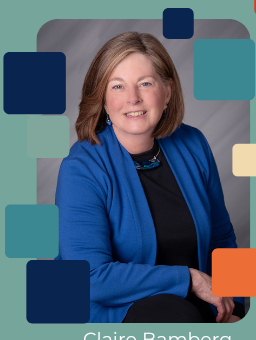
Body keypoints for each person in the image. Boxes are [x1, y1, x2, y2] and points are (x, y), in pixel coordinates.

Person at [55, 32, 245, 323]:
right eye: (118, 86)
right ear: (103, 99)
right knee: (177, 318)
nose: (133, 98)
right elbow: (90, 277)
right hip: (112, 312)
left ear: (167, 92)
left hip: (195, 308)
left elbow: (222, 238)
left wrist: (235, 307)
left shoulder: (193, 144)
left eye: (145, 83)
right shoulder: (82, 167)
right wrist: (190, 279)